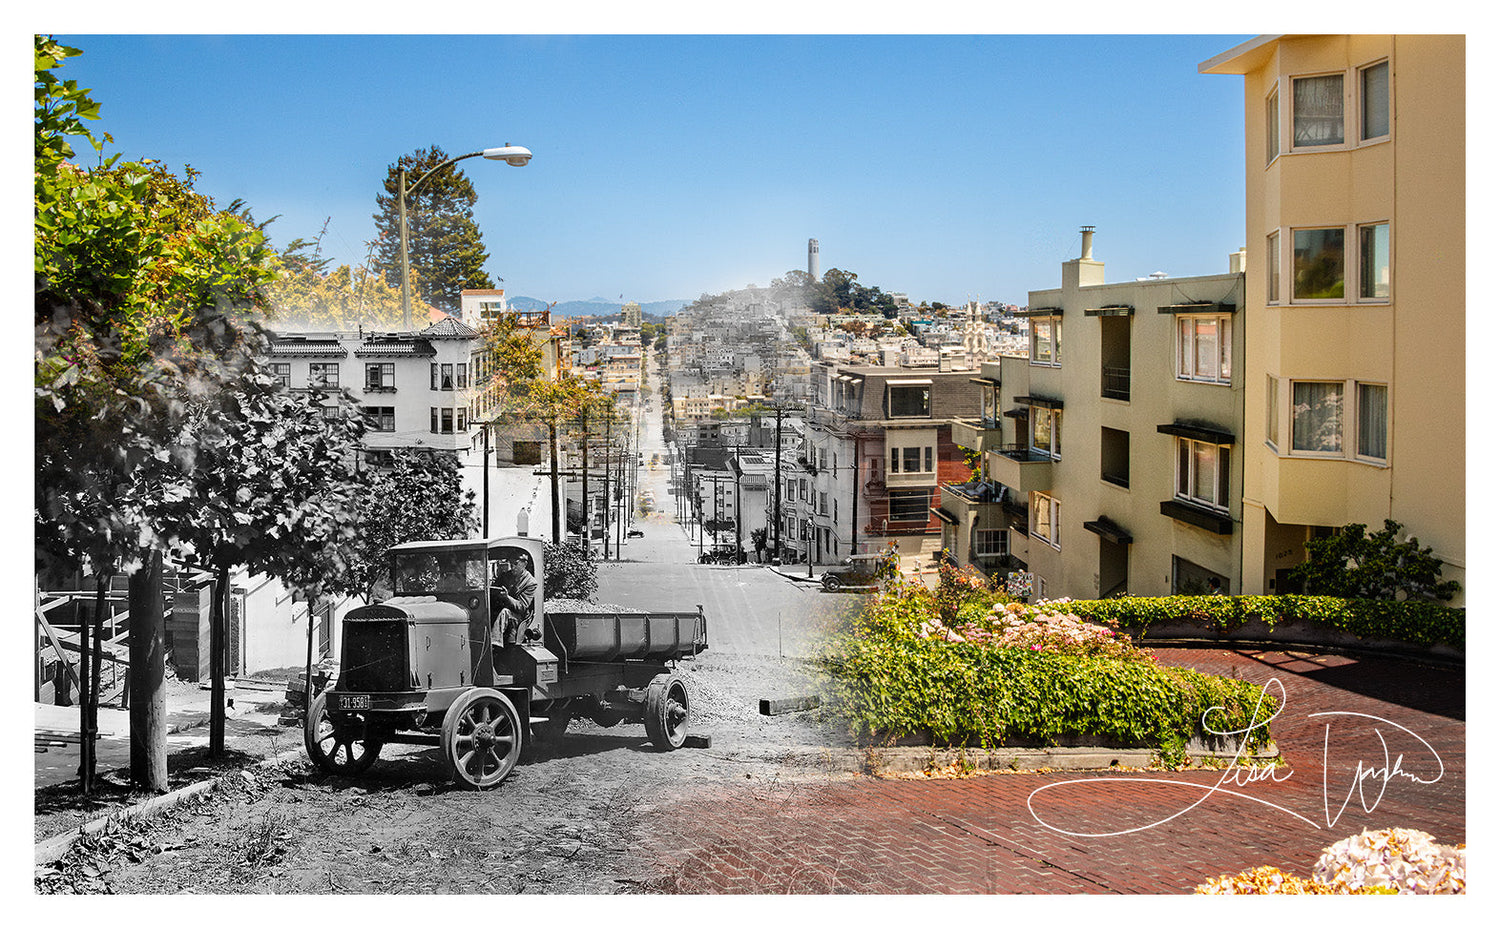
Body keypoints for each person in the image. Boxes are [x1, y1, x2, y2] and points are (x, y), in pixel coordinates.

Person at [490, 550, 538, 646]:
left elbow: (522, 607)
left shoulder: (530, 582)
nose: (512, 567)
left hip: (519, 617)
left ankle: (494, 643)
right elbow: (493, 589)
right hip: (503, 610)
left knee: (505, 612)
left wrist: (507, 597)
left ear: (524, 564)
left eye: (515, 564)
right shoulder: (506, 576)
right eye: (511, 564)